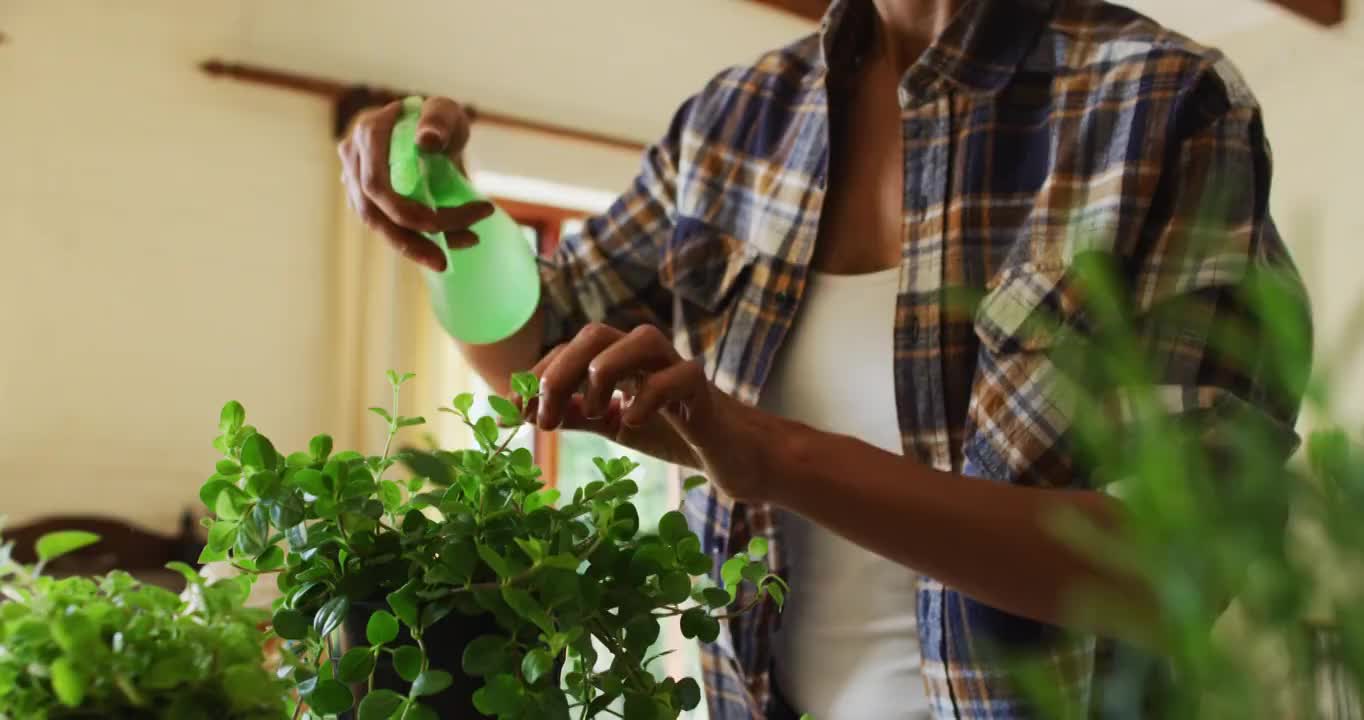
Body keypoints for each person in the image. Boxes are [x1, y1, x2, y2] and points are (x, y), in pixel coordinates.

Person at [337, 0, 1309, 717]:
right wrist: (451, 218)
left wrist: (772, 454)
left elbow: (1175, 566)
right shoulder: (732, 119)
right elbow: (545, 355)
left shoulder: (1161, 103)